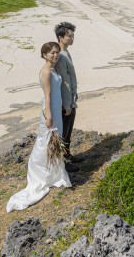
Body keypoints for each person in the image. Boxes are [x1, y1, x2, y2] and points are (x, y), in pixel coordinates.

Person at [6, 42, 71, 212]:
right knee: (45, 142)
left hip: (57, 110)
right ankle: (40, 173)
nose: (55, 56)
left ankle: (55, 173)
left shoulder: (54, 69)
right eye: (51, 53)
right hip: (51, 111)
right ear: (44, 55)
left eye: (57, 53)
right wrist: (49, 116)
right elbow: (47, 97)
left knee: (55, 143)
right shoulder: (46, 72)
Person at [54, 22, 84, 168]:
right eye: (69, 36)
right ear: (60, 37)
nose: (72, 38)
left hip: (70, 99)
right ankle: (63, 163)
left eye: (73, 35)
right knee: (63, 132)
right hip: (65, 101)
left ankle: (67, 155)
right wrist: (68, 104)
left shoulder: (65, 52)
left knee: (68, 130)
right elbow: (64, 82)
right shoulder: (59, 55)